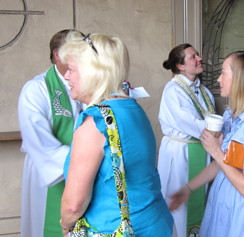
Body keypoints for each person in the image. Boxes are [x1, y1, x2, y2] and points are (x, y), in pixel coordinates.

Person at [59, 32, 173, 236]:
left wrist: (66, 225)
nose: (66, 76)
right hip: (157, 223)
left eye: (70, 69)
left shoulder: (95, 124)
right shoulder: (133, 108)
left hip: (116, 229)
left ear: (92, 72)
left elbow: (73, 206)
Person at [169, 50, 244, 236]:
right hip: (225, 198)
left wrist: (216, 152)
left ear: (241, 79)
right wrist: (188, 188)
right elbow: (224, 165)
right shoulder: (231, 116)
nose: (218, 79)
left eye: (223, 73)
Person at [18, 29, 83, 237]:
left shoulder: (86, 83)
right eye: (75, 50)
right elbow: (37, 139)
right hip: (51, 170)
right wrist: (82, 160)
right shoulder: (36, 89)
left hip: (84, 172)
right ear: (57, 54)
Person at [157, 43, 215, 236]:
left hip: (200, 149)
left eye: (198, 55)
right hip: (180, 153)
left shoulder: (204, 92)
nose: (199, 59)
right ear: (180, 66)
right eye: (193, 57)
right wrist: (216, 132)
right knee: (178, 204)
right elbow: (186, 121)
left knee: (199, 199)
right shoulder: (173, 90)